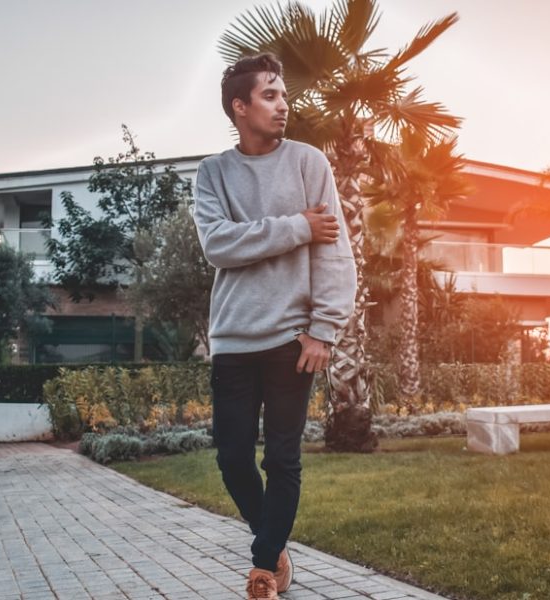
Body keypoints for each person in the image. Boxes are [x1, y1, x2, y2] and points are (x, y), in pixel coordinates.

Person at [193, 52, 357, 600]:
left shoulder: (310, 163)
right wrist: (297, 227)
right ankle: (275, 542)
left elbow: (336, 252)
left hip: (293, 340)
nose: (283, 104)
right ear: (240, 107)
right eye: (269, 95)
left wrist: (325, 329)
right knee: (232, 454)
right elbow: (219, 246)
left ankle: (264, 567)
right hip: (235, 339)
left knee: (282, 457)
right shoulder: (213, 173)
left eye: (284, 94)